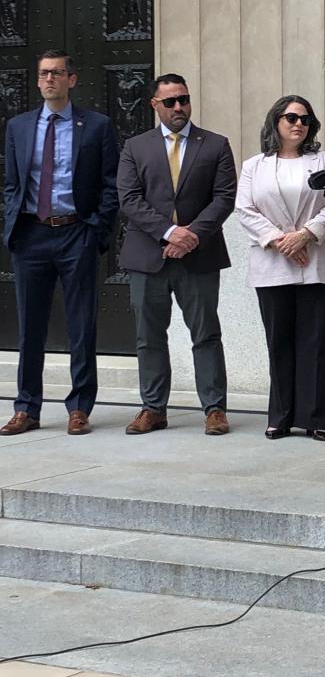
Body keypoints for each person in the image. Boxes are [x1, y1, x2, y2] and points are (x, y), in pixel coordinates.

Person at [1, 49, 119, 435]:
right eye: (44, 74)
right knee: (29, 325)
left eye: (58, 73)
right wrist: (12, 221)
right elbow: (12, 183)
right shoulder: (18, 126)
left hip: (75, 232)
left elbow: (110, 183)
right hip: (31, 233)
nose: (50, 79)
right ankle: (26, 407)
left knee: (81, 323)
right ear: (37, 80)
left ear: (72, 79)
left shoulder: (97, 126)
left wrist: (95, 228)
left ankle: (80, 406)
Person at [117, 74, 237, 436]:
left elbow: (224, 198)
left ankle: (214, 409)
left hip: (199, 257)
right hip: (148, 257)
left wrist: (191, 236)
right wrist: (170, 233)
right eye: (169, 102)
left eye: (183, 99)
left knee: (205, 333)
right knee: (148, 336)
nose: (178, 107)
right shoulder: (135, 147)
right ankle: (153, 408)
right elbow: (129, 198)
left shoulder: (215, 144)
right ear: (155, 105)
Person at [235, 96, 325, 440]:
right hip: (273, 261)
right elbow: (245, 209)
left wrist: (306, 235)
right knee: (279, 340)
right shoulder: (254, 166)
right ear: (276, 122)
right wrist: (281, 240)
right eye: (291, 117)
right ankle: (279, 415)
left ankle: (317, 418)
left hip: (317, 260)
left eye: (305, 119)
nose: (299, 124)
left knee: (316, 341)